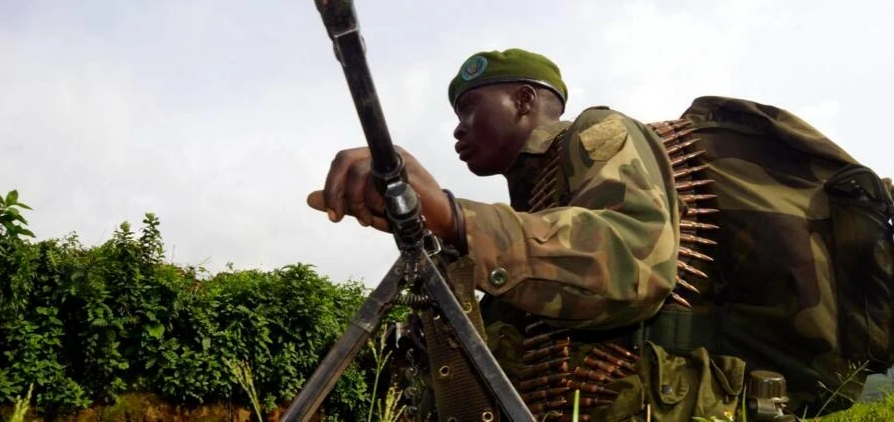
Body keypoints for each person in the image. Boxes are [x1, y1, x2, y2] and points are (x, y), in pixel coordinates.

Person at [308, 48, 743, 420]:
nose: (458, 128)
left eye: (469, 109)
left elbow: (635, 260)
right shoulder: (530, 205)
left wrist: (455, 218)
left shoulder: (596, 132)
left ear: (523, 100)